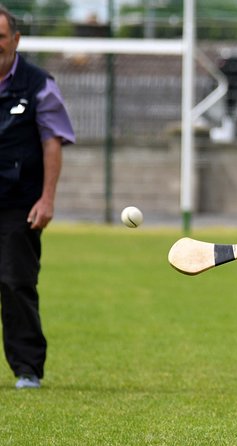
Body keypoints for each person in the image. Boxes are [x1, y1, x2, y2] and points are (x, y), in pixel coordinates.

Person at [0, 4, 75, 389]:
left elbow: (52, 142)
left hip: (19, 202)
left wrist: (47, 199)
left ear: (15, 40)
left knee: (16, 283)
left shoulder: (38, 84)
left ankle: (27, 369)